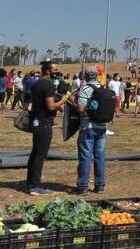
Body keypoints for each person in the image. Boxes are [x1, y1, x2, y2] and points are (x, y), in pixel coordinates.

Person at [27, 62, 69, 195]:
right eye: (55, 70)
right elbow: (51, 106)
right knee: (40, 155)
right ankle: (35, 186)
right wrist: (64, 99)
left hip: (37, 122)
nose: (57, 72)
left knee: (35, 153)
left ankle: (30, 182)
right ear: (48, 71)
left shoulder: (37, 84)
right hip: (44, 123)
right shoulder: (48, 85)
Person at [71, 66, 109, 195]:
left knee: (86, 156)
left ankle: (83, 186)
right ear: (97, 75)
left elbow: (81, 109)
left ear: (86, 76)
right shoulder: (103, 89)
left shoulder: (85, 89)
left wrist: (72, 102)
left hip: (88, 126)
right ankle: (100, 185)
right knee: (100, 156)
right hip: (102, 127)